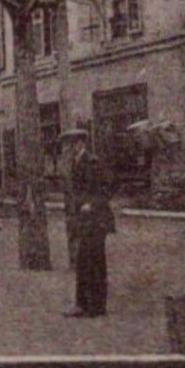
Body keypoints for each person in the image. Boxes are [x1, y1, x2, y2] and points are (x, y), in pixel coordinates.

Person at [62, 129, 115, 318]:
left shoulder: (93, 162)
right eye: (67, 145)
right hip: (86, 221)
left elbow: (107, 189)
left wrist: (90, 204)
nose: (68, 149)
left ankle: (95, 306)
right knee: (84, 261)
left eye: (71, 144)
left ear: (80, 143)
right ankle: (84, 304)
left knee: (95, 262)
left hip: (97, 220)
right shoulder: (76, 162)